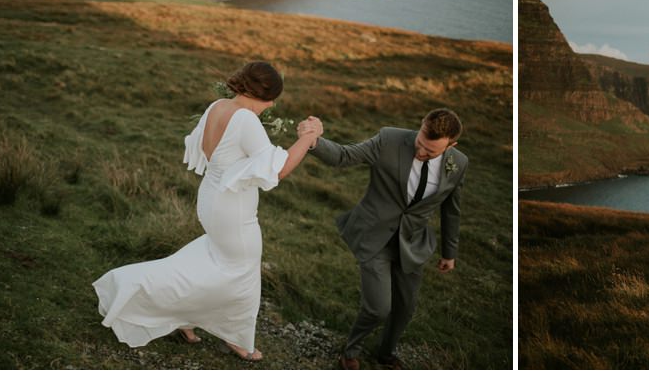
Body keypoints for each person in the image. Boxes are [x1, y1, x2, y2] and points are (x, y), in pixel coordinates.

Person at [93, 61, 320, 362]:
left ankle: (187, 320)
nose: (272, 105)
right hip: (233, 210)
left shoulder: (218, 106)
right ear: (264, 96)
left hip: (211, 197)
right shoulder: (246, 120)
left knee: (213, 259)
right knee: (243, 274)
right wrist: (307, 137)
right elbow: (276, 171)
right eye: (272, 99)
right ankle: (237, 340)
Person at [300, 108, 467, 370]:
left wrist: (449, 252)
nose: (421, 153)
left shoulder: (458, 163)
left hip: (412, 245)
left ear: (451, 145)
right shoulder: (389, 139)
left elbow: (451, 210)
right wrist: (311, 141)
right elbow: (345, 156)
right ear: (421, 125)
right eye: (420, 143)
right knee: (378, 308)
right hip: (375, 236)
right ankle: (351, 350)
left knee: (405, 308)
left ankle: (386, 353)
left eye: (430, 152)